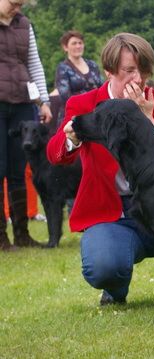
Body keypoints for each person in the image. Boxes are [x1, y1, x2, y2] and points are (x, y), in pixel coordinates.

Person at [47, 33, 154, 306]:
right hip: (112, 212)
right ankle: (115, 285)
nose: (139, 79)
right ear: (110, 71)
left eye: (144, 71)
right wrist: (71, 138)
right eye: (130, 71)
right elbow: (55, 155)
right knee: (103, 266)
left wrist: (148, 121)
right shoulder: (84, 104)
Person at [0, 0, 52, 251]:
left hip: (22, 103)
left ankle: (22, 234)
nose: (17, 9)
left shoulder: (24, 24)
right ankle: (1, 238)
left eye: (21, 4)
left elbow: (34, 63)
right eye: (14, 3)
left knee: (18, 170)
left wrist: (43, 101)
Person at [55, 30, 103, 125]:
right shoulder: (63, 68)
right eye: (74, 43)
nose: (78, 46)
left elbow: (102, 88)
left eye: (80, 43)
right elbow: (65, 96)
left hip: (96, 114)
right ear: (65, 47)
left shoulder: (93, 65)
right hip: (73, 117)